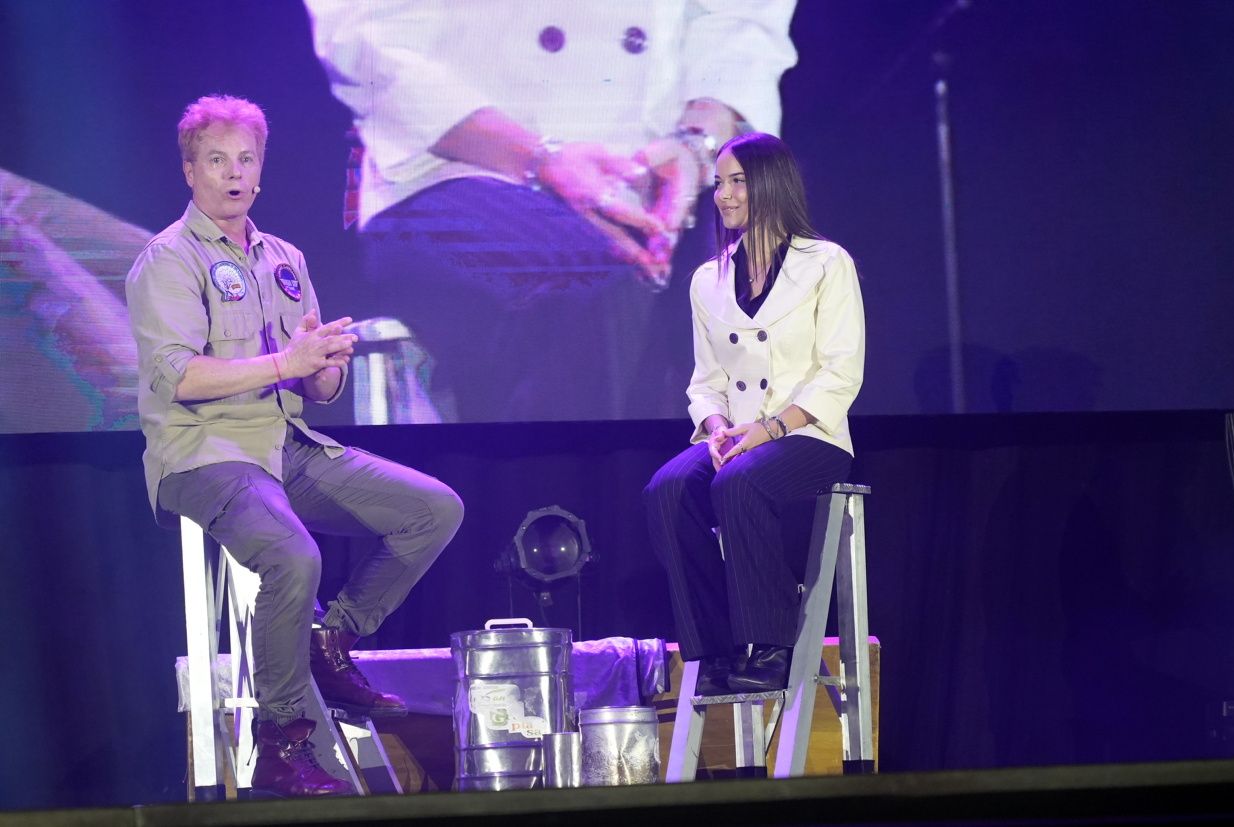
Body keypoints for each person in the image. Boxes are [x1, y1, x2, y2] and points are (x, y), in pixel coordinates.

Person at [125, 95, 464, 797]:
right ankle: (282, 741)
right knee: (292, 554)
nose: (233, 173)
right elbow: (182, 377)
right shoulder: (167, 260)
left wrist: (326, 365)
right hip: (204, 453)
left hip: (286, 445)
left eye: (246, 159)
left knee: (435, 509)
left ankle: (332, 636)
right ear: (190, 170)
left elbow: (316, 382)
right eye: (217, 160)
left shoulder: (284, 259)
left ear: (261, 168)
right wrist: (289, 364)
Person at [305, 1, 798, 423]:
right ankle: (553, 519)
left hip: (659, 165)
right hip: (450, 164)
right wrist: (539, 159)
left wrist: (697, 145)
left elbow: (741, 21)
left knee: (768, 294)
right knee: (590, 281)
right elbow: (366, 38)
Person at [643, 132, 865, 695]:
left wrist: (768, 429)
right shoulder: (707, 280)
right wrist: (716, 428)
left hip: (809, 434)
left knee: (740, 484)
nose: (724, 194)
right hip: (739, 436)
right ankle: (712, 650)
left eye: (738, 181)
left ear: (771, 183)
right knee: (666, 490)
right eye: (719, 182)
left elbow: (841, 373)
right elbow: (706, 383)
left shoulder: (825, 264)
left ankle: (773, 645)